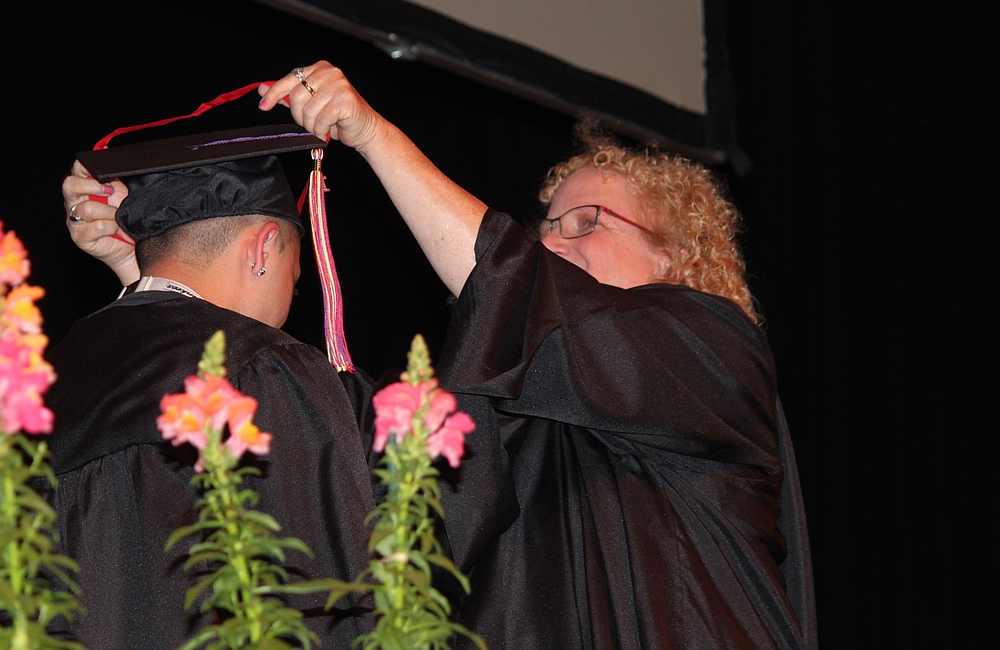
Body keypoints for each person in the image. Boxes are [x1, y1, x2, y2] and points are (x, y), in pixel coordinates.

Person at [64, 63, 817, 649]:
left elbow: (536, 302)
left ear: (680, 255)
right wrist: (151, 273)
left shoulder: (711, 354)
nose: (551, 241)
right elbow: (324, 437)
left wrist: (372, 135)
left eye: (588, 222)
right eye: (545, 224)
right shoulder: (497, 403)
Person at [51, 133, 376, 649]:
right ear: (264, 247)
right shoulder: (262, 369)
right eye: (295, 279)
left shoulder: (43, 380)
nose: (289, 304)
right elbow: (325, 590)